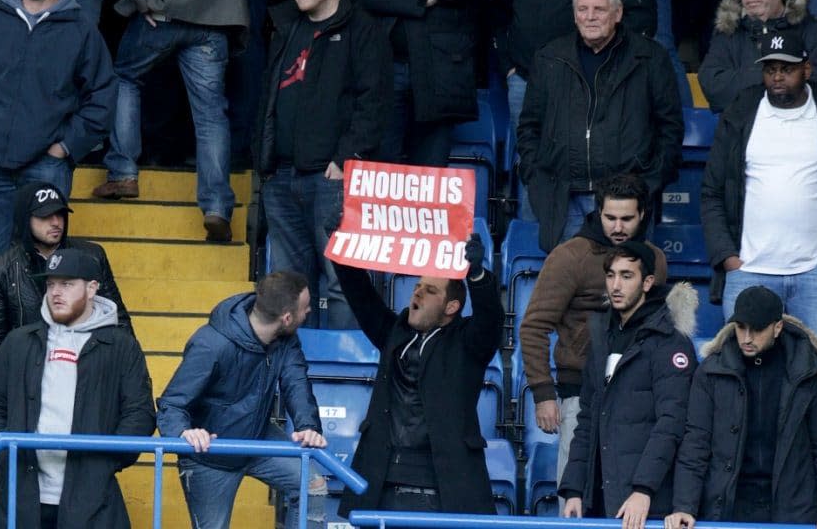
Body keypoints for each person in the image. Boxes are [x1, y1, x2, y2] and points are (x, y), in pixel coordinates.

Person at [519, 174, 668, 512]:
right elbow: (533, 326)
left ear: (643, 214)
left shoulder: (654, 260)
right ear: (598, 211)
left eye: (627, 218)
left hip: (637, 397)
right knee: (576, 500)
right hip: (579, 394)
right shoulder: (569, 256)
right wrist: (543, 394)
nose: (618, 226)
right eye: (610, 217)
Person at [0, 249, 155, 528]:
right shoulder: (18, 342)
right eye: (50, 284)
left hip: (93, 501)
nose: (55, 292)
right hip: (21, 498)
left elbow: (140, 414)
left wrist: (104, 464)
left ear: (92, 288)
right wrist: (5, 458)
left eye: (67, 284)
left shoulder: (122, 346)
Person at [336, 234, 504, 516]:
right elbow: (361, 296)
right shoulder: (396, 331)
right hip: (381, 482)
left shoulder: (467, 342)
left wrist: (476, 275)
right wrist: (339, 246)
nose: (417, 293)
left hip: (443, 489)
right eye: (417, 286)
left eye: (430, 290)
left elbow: (490, 319)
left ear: (451, 307)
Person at [254, 0, 390, 329]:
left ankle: (346, 378)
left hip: (332, 178)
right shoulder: (285, 24)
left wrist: (345, 160)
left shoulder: (362, 27)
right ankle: (293, 379)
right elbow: (268, 98)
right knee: (288, 291)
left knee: (344, 285)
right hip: (282, 175)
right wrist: (265, 163)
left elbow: (374, 100)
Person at [0, 0, 116, 318]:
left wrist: (65, 147)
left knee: (45, 263)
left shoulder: (81, 29)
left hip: (46, 163)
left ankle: (35, 350)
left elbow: (103, 95)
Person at [157, 271, 328, 529]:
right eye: (305, 308)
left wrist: (308, 426)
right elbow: (172, 404)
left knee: (312, 486)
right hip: (211, 454)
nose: (310, 312)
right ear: (287, 317)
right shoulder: (211, 344)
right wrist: (184, 432)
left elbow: (296, 382)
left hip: (256, 437)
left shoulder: (286, 339)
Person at [701, 28, 817, 355]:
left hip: (815, 275)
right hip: (749, 272)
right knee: (741, 380)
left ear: (807, 69)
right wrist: (730, 260)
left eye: (786, 69)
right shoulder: (742, 110)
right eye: (770, 69)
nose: (777, 77)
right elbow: (712, 191)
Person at [517, 0, 683, 252]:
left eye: (599, 9)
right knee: (571, 289)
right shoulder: (549, 58)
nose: (590, 17)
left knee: (625, 288)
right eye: (583, 9)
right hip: (565, 200)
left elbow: (670, 129)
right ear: (574, 15)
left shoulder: (650, 58)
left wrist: (645, 187)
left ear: (617, 14)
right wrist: (538, 179)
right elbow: (529, 128)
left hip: (626, 204)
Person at [665, 286, 817, 528]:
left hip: (793, 508)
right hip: (728, 506)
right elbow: (696, 443)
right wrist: (684, 506)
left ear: (777, 327)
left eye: (756, 330)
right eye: (741, 327)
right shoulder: (712, 371)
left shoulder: (811, 373)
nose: (746, 337)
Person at [559, 242, 697, 528]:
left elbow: (671, 423)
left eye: (626, 275)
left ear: (647, 282)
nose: (616, 285)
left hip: (646, 505)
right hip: (599, 500)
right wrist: (575, 489)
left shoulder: (670, 341)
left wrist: (643, 489)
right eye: (610, 275)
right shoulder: (602, 335)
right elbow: (587, 420)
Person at [91, 0, 249, 243]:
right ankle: (217, 206)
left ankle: (123, 173)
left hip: (163, 10)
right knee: (211, 116)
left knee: (124, 79)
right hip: (215, 17)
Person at [0, 182, 131, 358]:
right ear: (25, 219)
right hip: (30, 373)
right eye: (45, 216)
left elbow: (118, 321)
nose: (55, 222)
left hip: (88, 367)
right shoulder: (2, 267)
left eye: (60, 214)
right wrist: (19, 379)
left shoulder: (92, 255)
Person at [356, 0, 477, 167]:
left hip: (442, 66)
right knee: (380, 175)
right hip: (383, 63)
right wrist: (418, 0)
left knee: (431, 177)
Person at [699, 0, 817, 113]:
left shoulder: (816, 32)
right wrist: (783, 78)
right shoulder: (728, 32)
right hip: (741, 136)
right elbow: (712, 85)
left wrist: (746, 81)